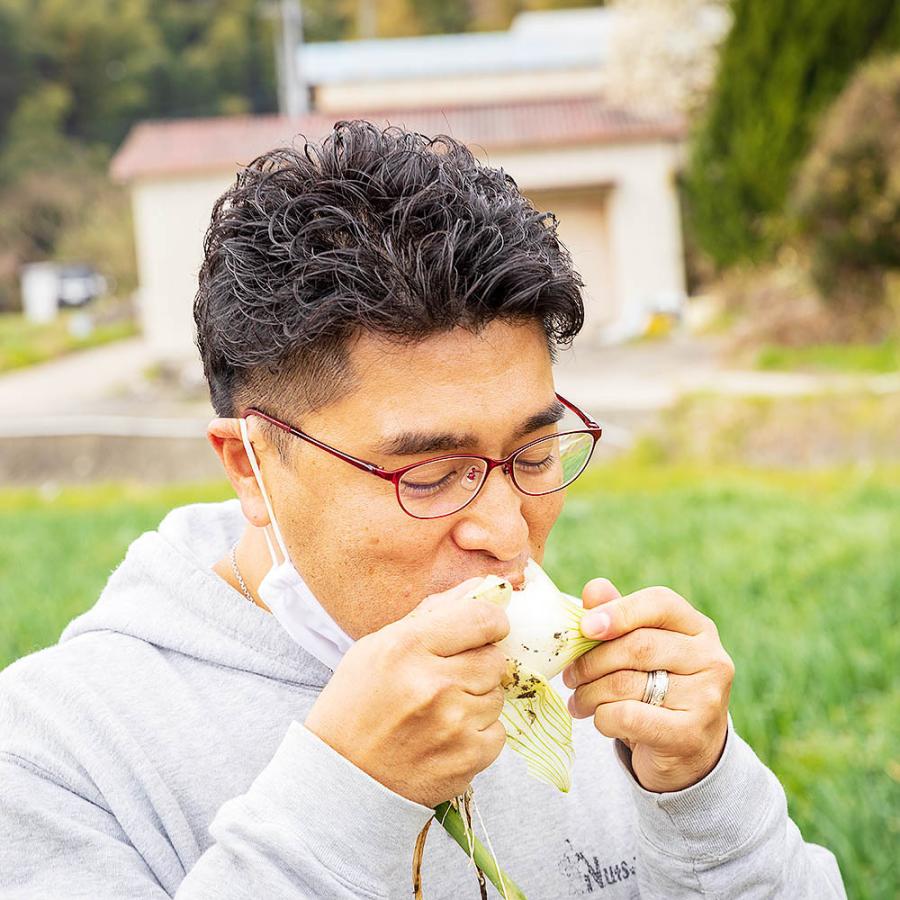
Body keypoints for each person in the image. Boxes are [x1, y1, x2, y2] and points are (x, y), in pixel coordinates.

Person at [0, 121, 845, 899]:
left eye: (534, 453)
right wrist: (347, 795)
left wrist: (704, 796)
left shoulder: (605, 708)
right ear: (250, 468)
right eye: (433, 474)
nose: (509, 534)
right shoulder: (52, 756)